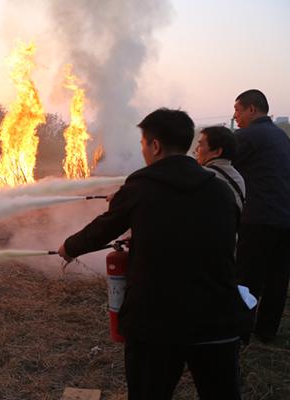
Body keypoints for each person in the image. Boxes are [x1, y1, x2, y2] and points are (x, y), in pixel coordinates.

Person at [58, 108, 251, 400]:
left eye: (143, 144)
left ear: (155, 146)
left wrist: (69, 248)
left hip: (156, 322)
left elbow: (103, 229)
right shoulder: (220, 188)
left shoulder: (141, 186)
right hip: (218, 317)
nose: (143, 151)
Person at [232, 89, 290, 343]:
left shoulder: (247, 136)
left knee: (248, 277)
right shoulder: (281, 136)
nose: (235, 116)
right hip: (284, 218)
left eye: (237, 110)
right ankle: (267, 332)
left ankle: (241, 332)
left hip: (258, 218)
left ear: (252, 109)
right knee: (278, 278)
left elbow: (220, 161)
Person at [194, 126, 245, 213]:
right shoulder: (238, 177)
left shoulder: (204, 176)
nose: (196, 149)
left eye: (201, 145)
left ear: (217, 152)